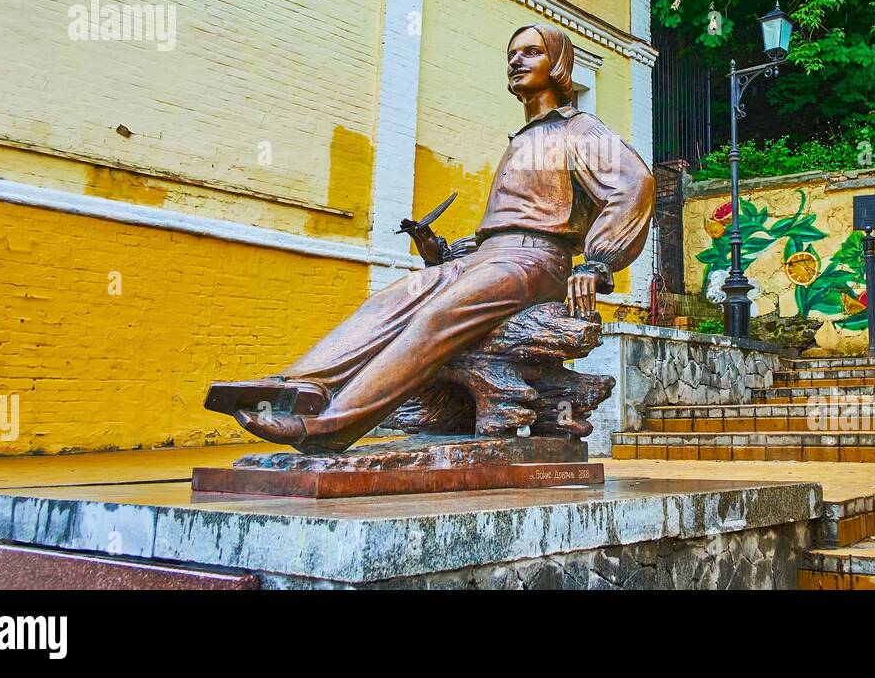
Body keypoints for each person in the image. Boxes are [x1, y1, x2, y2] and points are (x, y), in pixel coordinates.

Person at [207, 23, 654, 452]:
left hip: (535, 264)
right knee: (388, 300)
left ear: (558, 64)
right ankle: (302, 386)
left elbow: (635, 184)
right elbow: (508, 224)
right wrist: (444, 253)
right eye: (512, 54)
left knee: (437, 315)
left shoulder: (578, 129)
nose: (517, 60)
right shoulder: (523, 138)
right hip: (488, 258)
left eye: (531, 51)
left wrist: (599, 262)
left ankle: (329, 423)